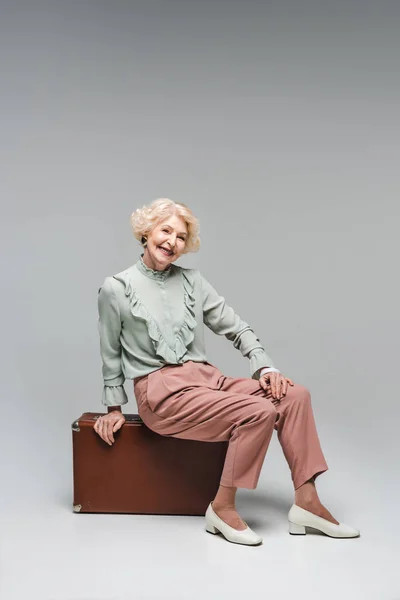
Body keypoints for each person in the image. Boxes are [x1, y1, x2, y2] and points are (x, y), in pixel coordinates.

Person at [94, 198, 360, 546]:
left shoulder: (193, 282)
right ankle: (223, 507)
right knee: (259, 411)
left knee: (294, 396)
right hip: (162, 393)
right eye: (166, 231)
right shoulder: (117, 288)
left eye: (181, 237)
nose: (172, 241)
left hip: (208, 380)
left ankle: (307, 502)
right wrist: (114, 408)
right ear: (146, 232)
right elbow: (110, 352)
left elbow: (235, 327)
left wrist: (264, 365)